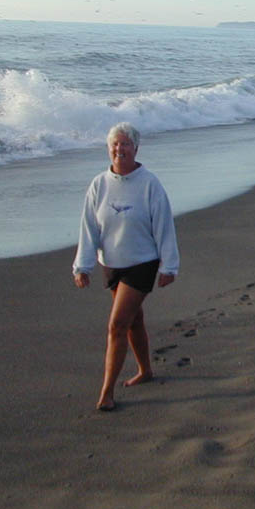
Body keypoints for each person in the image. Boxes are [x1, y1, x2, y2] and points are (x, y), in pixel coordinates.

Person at [72, 122, 180, 411]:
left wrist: (169, 266)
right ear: (109, 149)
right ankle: (145, 371)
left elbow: (164, 226)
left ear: (136, 148)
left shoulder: (149, 184)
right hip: (112, 264)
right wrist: (82, 266)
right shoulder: (99, 185)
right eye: (114, 145)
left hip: (142, 262)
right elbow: (89, 228)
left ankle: (106, 392)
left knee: (117, 325)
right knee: (134, 321)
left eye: (125, 144)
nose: (120, 149)